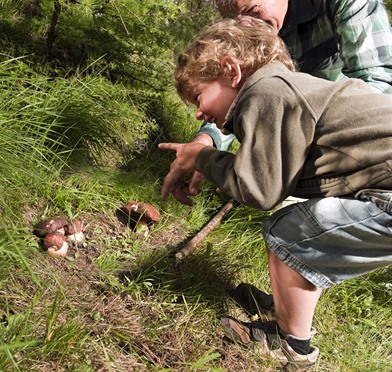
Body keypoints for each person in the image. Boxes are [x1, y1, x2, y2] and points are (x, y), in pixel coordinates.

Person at [159, 16, 392, 370]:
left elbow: (260, 190)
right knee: (304, 229)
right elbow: (272, 175)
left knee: (289, 233)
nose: (198, 113)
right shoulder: (281, 88)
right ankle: (285, 308)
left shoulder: (265, 93)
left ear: (231, 71)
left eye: (198, 96)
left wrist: (204, 158)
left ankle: (292, 344)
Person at [168, 0, 392, 206]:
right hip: (341, 161)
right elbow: (238, 98)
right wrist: (210, 139)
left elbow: (380, 82)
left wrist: (213, 161)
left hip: (368, 159)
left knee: (288, 229)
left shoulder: (344, 3)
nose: (248, 25)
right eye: (236, 20)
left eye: (251, 11)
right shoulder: (256, 42)